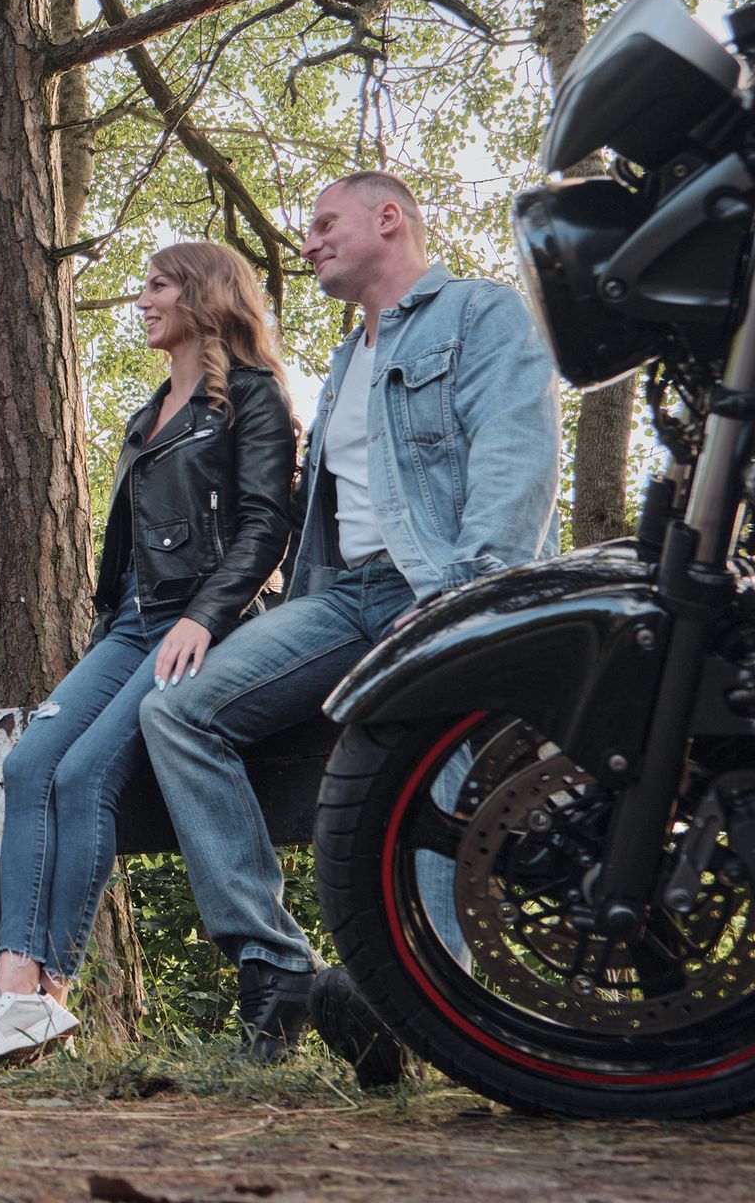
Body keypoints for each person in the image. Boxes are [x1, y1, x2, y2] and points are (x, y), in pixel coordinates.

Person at [138, 171, 562, 1065]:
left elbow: (516, 455)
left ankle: (425, 1011)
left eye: (325, 223)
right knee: (178, 711)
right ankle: (275, 963)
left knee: (431, 773)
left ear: (389, 218)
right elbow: (314, 511)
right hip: (342, 599)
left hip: (440, 587)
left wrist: (473, 595)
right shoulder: (343, 357)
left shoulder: (478, 314)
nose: (310, 241)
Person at [0, 241, 297, 1068]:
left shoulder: (253, 397)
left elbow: (264, 527)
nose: (142, 300)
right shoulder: (150, 412)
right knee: (31, 764)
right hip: (133, 622)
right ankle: (16, 990)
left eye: (157, 285)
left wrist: (207, 617)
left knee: (85, 775)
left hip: (202, 621)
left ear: (203, 296)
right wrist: (112, 630)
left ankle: (47, 993)